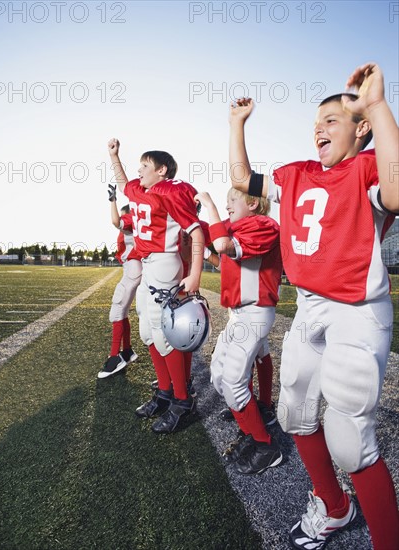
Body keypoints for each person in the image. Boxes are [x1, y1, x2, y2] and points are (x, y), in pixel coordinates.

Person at [228, 63, 399, 549]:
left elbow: (397, 190)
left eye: (333, 119)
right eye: (317, 121)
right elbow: (242, 178)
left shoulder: (368, 167)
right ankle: (335, 507)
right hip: (309, 308)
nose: (319, 127)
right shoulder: (297, 174)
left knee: (349, 440)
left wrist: (379, 106)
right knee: (296, 415)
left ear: (361, 128)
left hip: (357, 310)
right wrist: (237, 125)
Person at [108, 139, 204, 434]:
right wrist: (114, 156)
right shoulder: (140, 189)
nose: (139, 170)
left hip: (164, 262)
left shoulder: (172, 190)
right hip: (148, 263)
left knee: (164, 333)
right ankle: (165, 392)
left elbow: (196, 232)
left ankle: (182, 400)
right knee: (147, 332)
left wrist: (197, 273)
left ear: (162, 170)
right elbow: (125, 184)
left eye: (145, 166)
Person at [195, 187, 283, 475]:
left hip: (255, 312)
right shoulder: (237, 228)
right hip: (239, 315)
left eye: (233, 199)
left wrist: (208, 204)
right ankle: (251, 429)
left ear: (254, 203)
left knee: (233, 382)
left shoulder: (263, 224)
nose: (227, 204)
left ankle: (265, 446)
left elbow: (223, 245)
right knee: (219, 376)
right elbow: (217, 249)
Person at [98, 191, 142, 379]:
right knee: (122, 310)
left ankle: (115, 356)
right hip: (132, 266)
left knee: (117, 308)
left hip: (134, 267)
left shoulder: (131, 221)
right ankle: (127, 351)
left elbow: (118, 221)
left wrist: (113, 201)